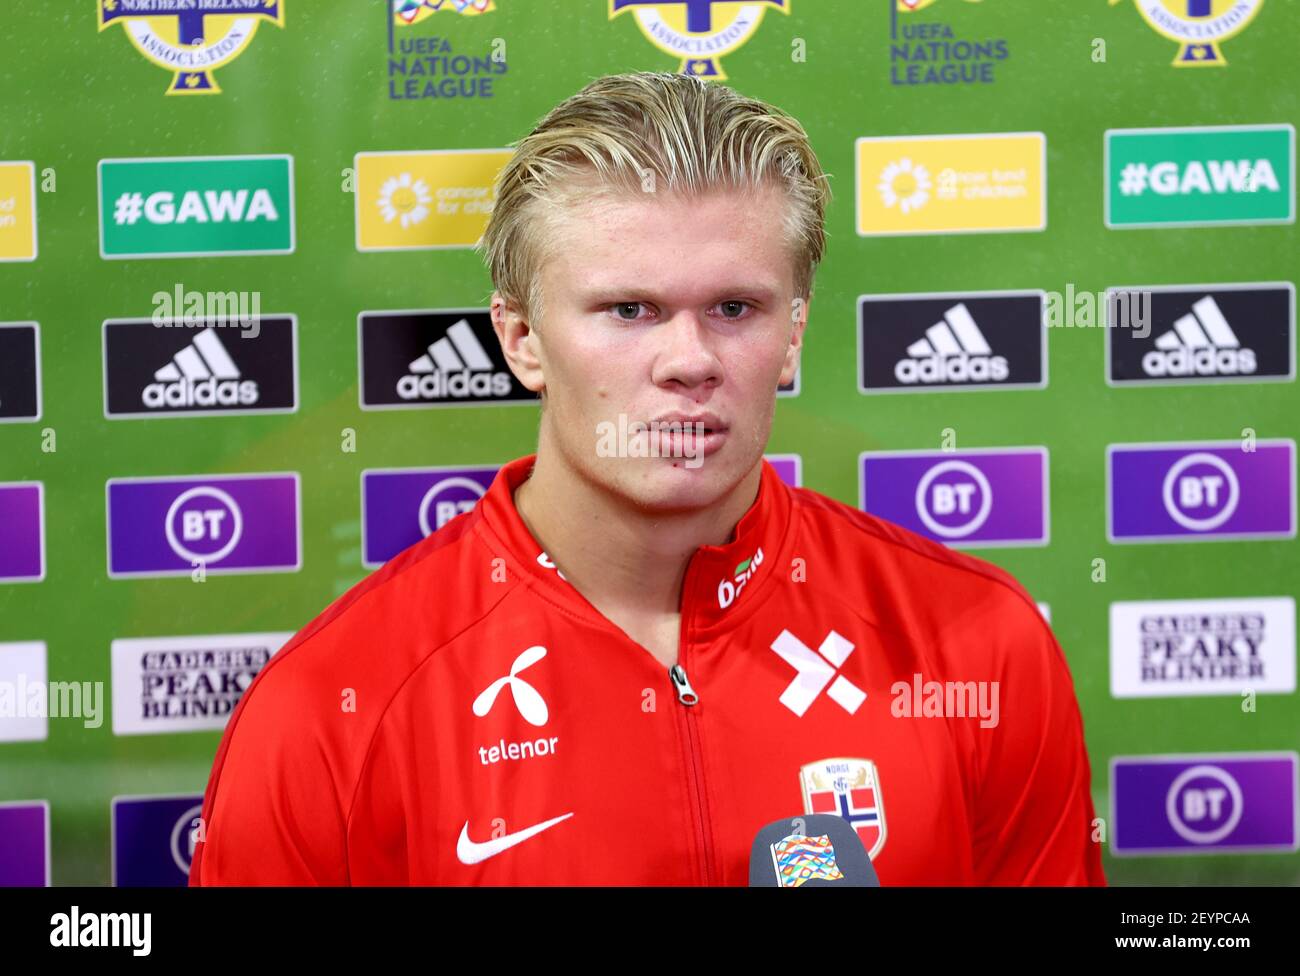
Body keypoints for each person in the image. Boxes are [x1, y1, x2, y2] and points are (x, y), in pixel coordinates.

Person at [189, 71, 1106, 886]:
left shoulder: (976, 646)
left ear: (791, 335)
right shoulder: (335, 707)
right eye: (629, 310)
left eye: (735, 308)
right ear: (520, 340)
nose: (689, 360)